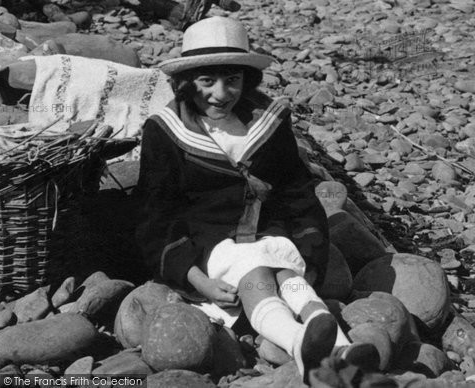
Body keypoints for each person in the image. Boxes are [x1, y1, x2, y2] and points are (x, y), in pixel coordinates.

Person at [135, 16, 378, 382]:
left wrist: (311, 252)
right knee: (256, 273)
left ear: (246, 80)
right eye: (207, 81)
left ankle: (340, 351)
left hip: (270, 230)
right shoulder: (165, 131)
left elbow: (297, 191)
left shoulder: (267, 122)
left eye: (232, 80)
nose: (221, 93)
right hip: (208, 242)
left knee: (291, 276)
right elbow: (156, 214)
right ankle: (300, 344)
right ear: (185, 84)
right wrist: (196, 278)